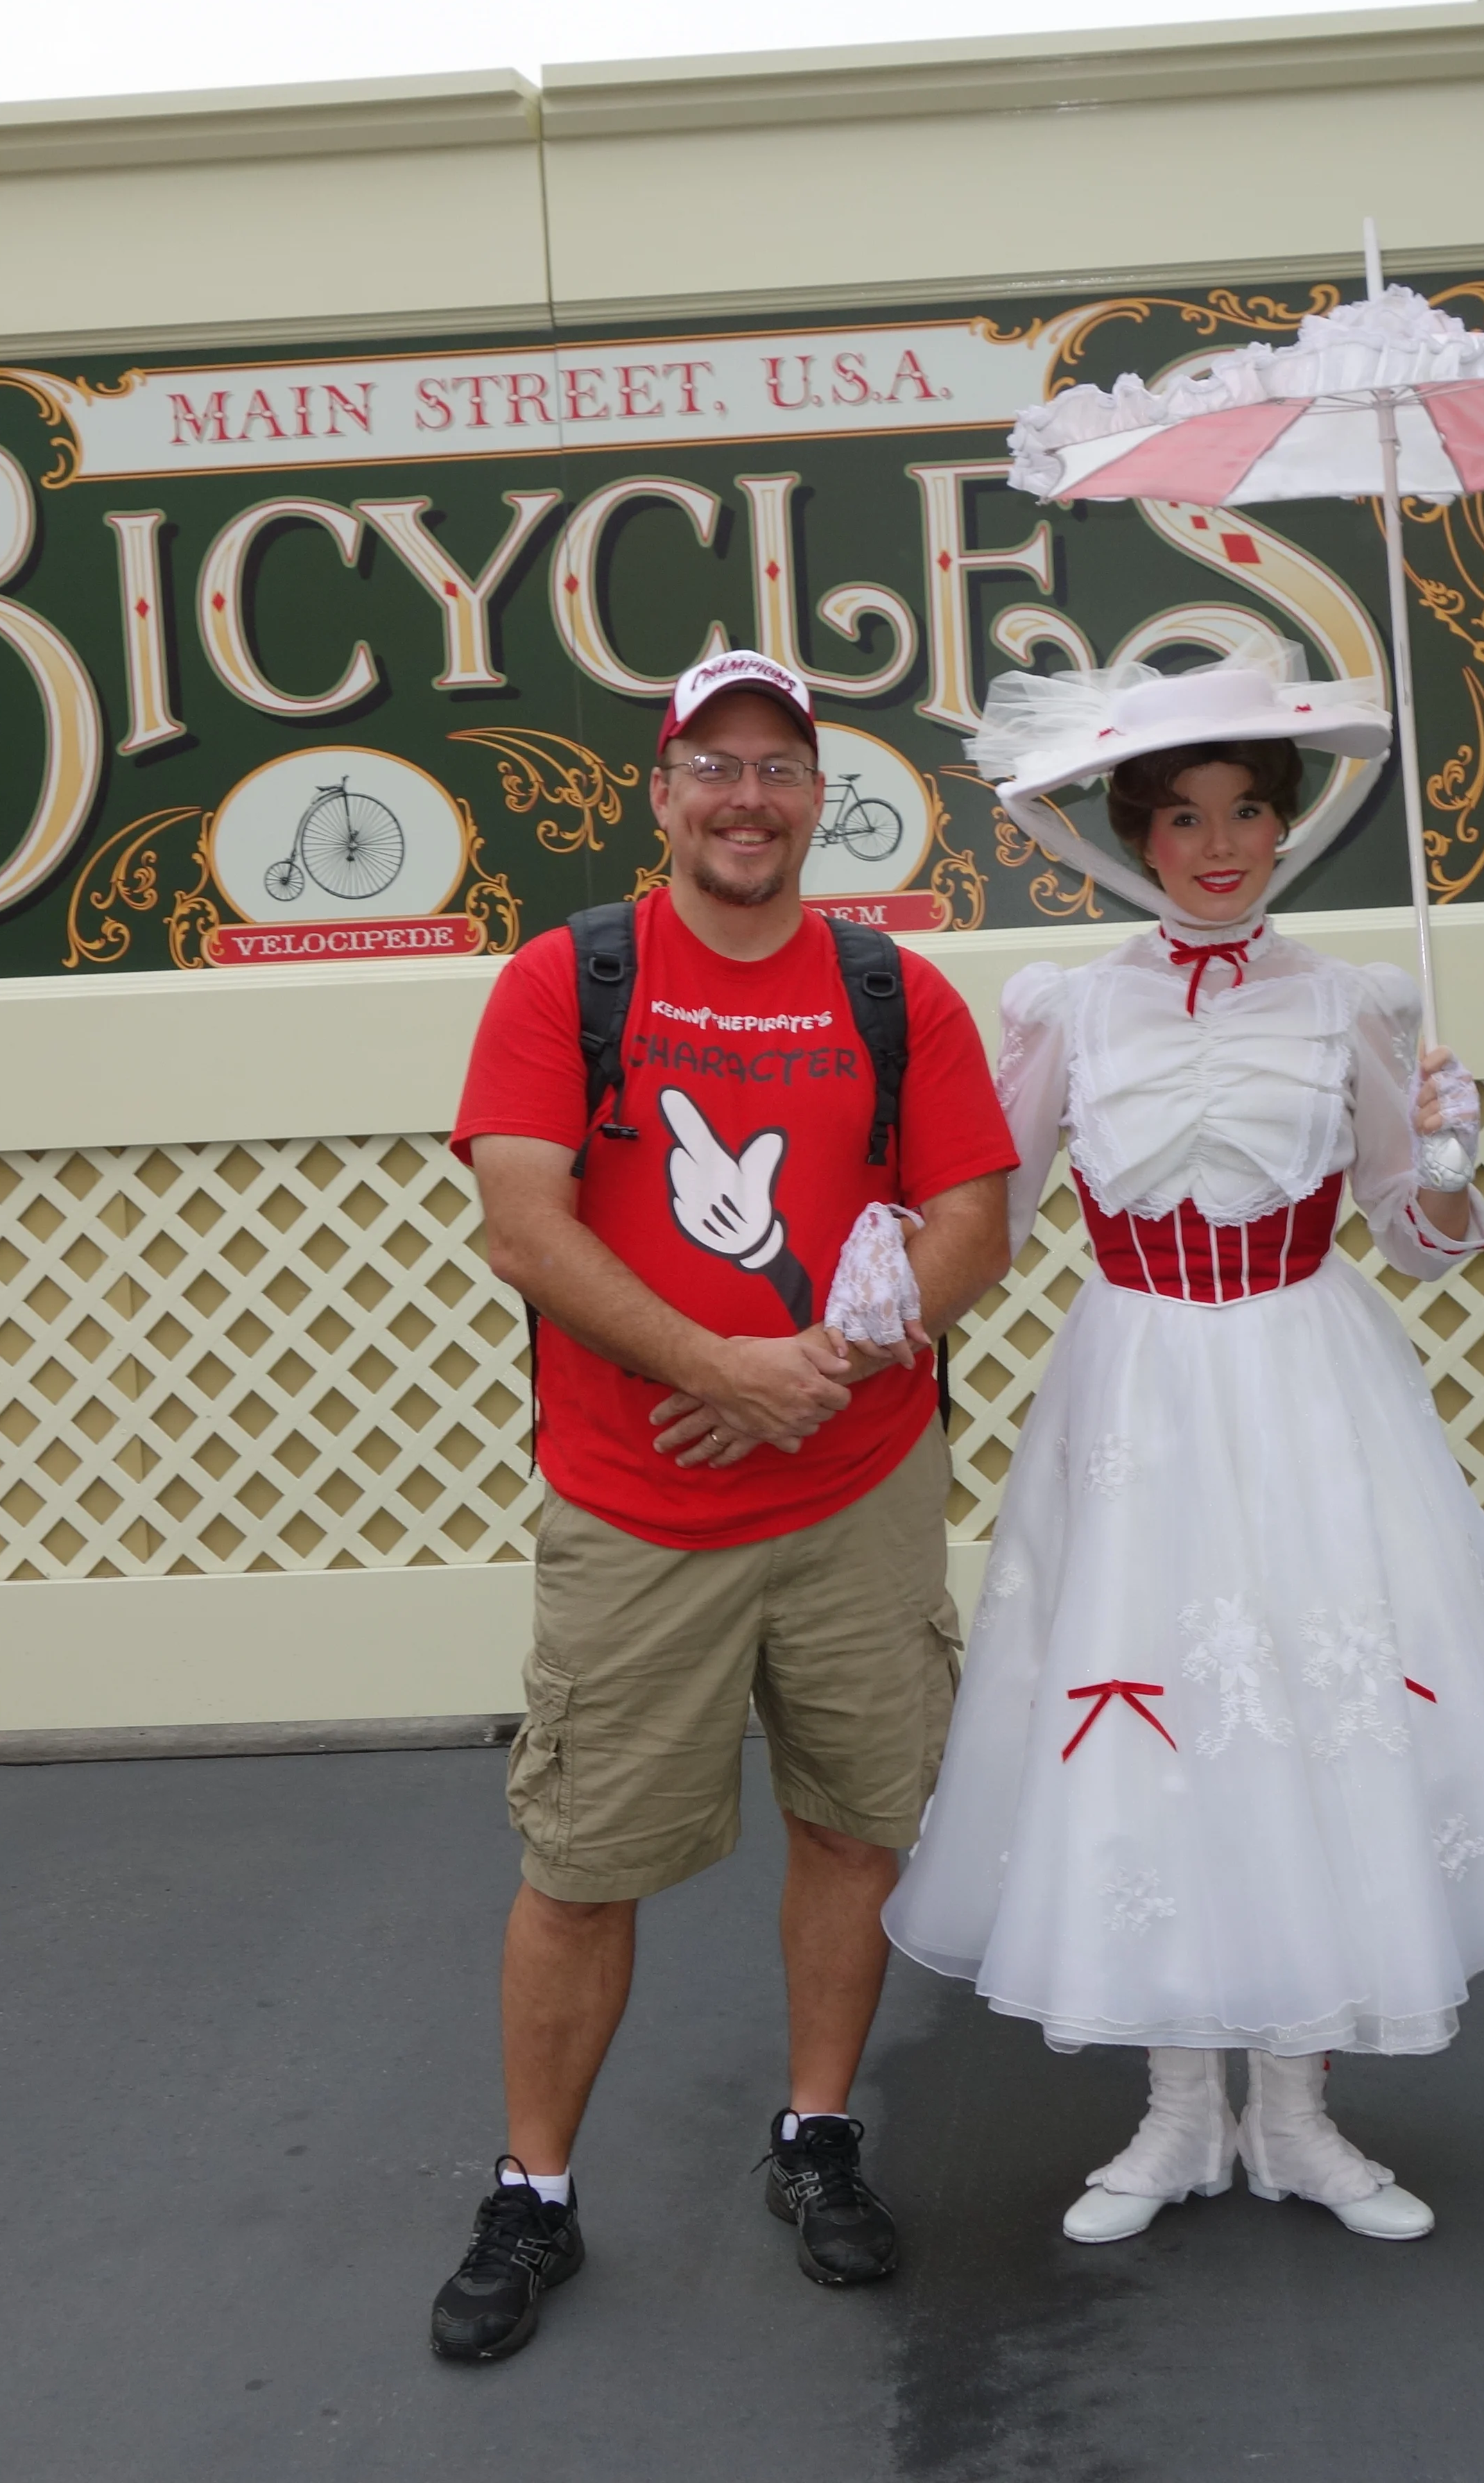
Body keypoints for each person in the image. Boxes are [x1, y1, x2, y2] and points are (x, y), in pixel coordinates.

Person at [883, 655, 1484, 2245]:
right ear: (1136, 837)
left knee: (1308, 1706)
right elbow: (991, 1218)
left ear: (1283, 827)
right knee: (1154, 1708)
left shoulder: (1353, 1000)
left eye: (1247, 813)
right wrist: (872, 1280)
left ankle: (1296, 2120)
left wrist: (1441, 1160)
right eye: (1183, 818)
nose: (1221, 846)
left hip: (1306, 1380)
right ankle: (1172, 2118)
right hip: (1140, 1394)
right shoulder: (1065, 1009)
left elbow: (1419, 1239)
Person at [433, 648, 1018, 2362]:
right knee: (582, 1863)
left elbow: (972, 1225)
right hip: (635, 1512)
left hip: (858, 1492)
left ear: (815, 794)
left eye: (780, 765)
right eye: (717, 763)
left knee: (854, 1824)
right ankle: (534, 2190)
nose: (748, 795)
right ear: (664, 788)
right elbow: (526, 1227)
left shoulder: (897, 993)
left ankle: (818, 2131)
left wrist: (804, 1374)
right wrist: (715, 1366)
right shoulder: (570, 980)